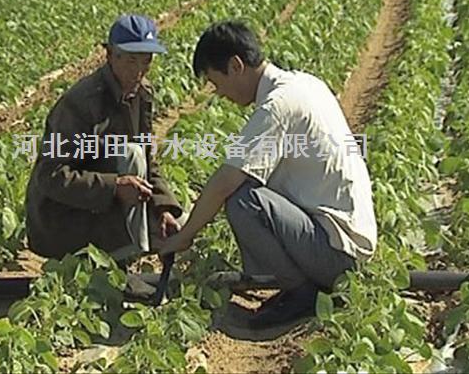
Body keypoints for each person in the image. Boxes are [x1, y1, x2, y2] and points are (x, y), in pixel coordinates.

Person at [160, 21, 377, 329]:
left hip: (338, 255)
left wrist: (184, 237)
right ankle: (300, 287)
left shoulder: (277, 106)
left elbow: (225, 184)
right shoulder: (304, 84)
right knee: (247, 189)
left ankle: (301, 293)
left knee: (241, 200)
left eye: (215, 82)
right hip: (344, 241)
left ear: (235, 66)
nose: (219, 94)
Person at [26, 14, 183, 261]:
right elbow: (50, 176)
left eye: (146, 61)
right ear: (110, 55)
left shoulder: (141, 94)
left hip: (104, 205)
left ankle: (129, 247)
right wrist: (115, 187)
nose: (139, 71)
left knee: (180, 226)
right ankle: (124, 256)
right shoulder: (80, 103)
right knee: (129, 154)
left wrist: (163, 207)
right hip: (64, 218)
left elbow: (149, 160)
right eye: (131, 60)